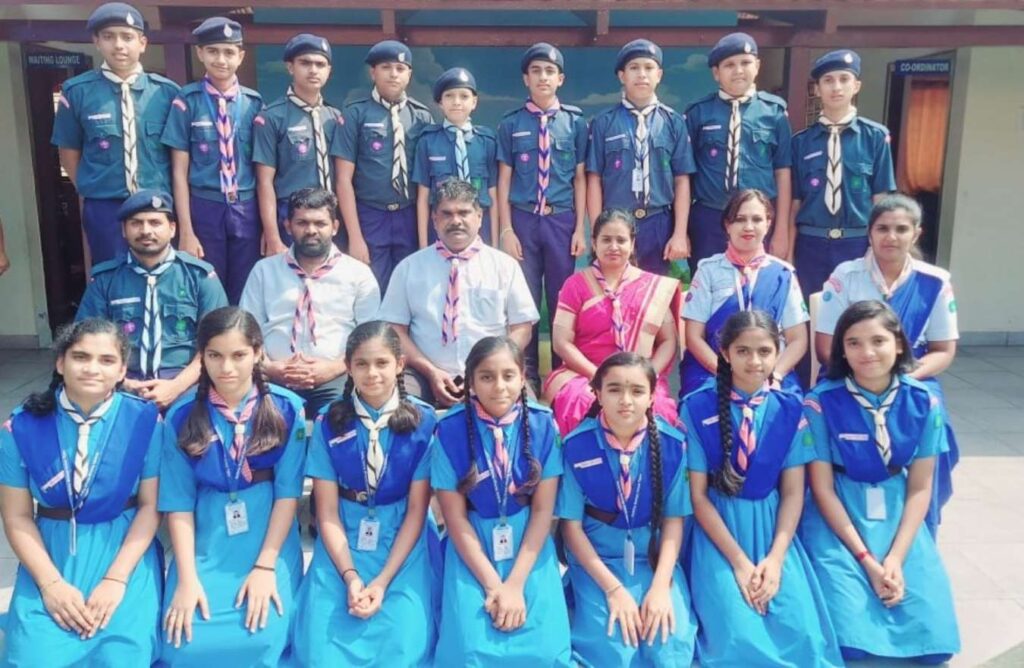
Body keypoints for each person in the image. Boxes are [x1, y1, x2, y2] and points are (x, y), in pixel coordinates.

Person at [800, 300, 960, 664]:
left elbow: (920, 487)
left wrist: (895, 558)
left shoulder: (924, 402)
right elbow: (821, 488)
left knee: (934, 646)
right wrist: (868, 561)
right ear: (841, 350)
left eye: (878, 341)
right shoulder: (820, 402)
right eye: (853, 343)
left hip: (897, 509)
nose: (867, 352)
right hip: (839, 513)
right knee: (850, 643)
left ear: (899, 344)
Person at [679, 310, 841, 667]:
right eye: (743, 351)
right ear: (725, 353)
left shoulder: (791, 409)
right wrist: (739, 563)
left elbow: (794, 492)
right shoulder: (696, 406)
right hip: (718, 530)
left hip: (772, 530)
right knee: (737, 637)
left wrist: (776, 558)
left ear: (778, 352)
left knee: (803, 635)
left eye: (765, 351)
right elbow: (698, 497)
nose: (755, 361)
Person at [0, 318, 163, 665]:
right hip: (52, 557)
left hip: (124, 554)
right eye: (81, 357)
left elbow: (150, 507)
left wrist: (116, 579)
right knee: (32, 659)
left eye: (106, 360)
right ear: (61, 363)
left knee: (122, 658)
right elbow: (16, 516)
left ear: (122, 371)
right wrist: (50, 585)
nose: (92, 368)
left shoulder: (145, 421)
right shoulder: (21, 427)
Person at [159, 307, 307, 666]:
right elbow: (178, 503)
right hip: (208, 537)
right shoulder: (181, 415)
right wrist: (187, 578)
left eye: (238, 355)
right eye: (215, 356)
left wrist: (265, 568)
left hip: (267, 535)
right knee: (183, 643)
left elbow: (288, 495)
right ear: (202, 357)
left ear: (258, 353)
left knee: (263, 637)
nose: (226, 368)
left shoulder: (287, 409)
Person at [292, 321, 437, 666]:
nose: (372, 373)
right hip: (344, 534)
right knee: (320, 650)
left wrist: (382, 581)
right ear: (348, 367)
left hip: (403, 536)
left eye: (381, 363)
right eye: (361, 364)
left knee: (404, 646)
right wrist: (351, 576)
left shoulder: (424, 420)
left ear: (400, 365)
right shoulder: (329, 421)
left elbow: (417, 510)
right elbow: (326, 512)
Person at [815, 194, 958, 534]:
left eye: (901, 229)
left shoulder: (934, 282)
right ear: (869, 232)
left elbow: (943, 350)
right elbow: (825, 348)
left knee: (935, 420)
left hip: (912, 373)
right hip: (848, 372)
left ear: (916, 233)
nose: (891, 237)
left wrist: (899, 378)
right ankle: (837, 521)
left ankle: (918, 526)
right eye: (882, 228)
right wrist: (865, 374)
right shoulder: (846, 276)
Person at [431, 336, 571, 665]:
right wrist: (495, 587)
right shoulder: (449, 430)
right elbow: (455, 518)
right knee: (468, 650)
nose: (499, 387)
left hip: (529, 542)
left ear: (522, 377)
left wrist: (516, 584)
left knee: (545, 652)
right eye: (486, 377)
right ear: (471, 382)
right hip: (472, 543)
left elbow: (543, 510)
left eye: (508, 375)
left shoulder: (543, 424)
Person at [558, 352, 698, 666]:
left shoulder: (673, 445)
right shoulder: (575, 446)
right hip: (598, 561)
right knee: (614, 645)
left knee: (667, 642)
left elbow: (674, 521)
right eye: (614, 389)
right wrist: (613, 590)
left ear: (652, 397)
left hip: (653, 559)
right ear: (597, 394)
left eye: (637, 391)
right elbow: (571, 528)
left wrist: (661, 587)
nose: (626, 400)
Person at [379, 179, 539, 407]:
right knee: (399, 409)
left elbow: (522, 328)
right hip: (423, 373)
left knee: (530, 414)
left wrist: (489, 368)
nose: (456, 221)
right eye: (447, 214)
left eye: (464, 213)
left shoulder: (504, 266)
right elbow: (395, 330)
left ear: (479, 217)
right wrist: (430, 371)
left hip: (492, 373)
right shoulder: (409, 268)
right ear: (434, 220)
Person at [51, 2, 180, 266]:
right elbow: (68, 153)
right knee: (111, 274)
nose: (119, 45)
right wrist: (92, 189)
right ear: (97, 42)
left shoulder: (166, 93)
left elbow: (178, 155)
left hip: (158, 205)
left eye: (127, 37)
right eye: (109, 37)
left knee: (163, 273)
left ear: (142, 43)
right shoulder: (77, 92)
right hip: (106, 206)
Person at [76, 189, 228, 409]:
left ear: (172, 228)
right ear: (124, 230)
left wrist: (175, 387)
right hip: (120, 387)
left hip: (187, 388)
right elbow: (85, 342)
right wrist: (123, 383)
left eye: (155, 222)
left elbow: (218, 344)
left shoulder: (200, 277)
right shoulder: (104, 280)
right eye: (136, 223)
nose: (146, 230)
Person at [240, 188, 380, 417]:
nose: (311, 230)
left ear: (335, 227)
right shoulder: (264, 271)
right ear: (288, 226)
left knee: (339, 422)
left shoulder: (358, 274)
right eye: (302, 223)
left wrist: (334, 368)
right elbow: (245, 331)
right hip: (273, 376)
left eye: (320, 223)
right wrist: (269, 367)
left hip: (336, 377)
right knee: (266, 426)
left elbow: (371, 336)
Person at [544, 209, 681, 435]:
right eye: (606, 240)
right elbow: (561, 342)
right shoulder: (575, 285)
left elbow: (668, 341)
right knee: (580, 401)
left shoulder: (652, 286)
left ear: (632, 244)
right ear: (594, 243)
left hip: (640, 371)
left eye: (621, 240)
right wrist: (597, 375)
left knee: (659, 409)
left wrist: (648, 374)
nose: (613, 246)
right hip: (586, 373)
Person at [498, 43, 588, 380]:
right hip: (524, 219)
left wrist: (580, 229)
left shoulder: (575, 124)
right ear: (526, 79)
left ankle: (563, 373)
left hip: (561, 219)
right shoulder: (511, 124)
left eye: (550, 71)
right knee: (525, 299)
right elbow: (503, 181)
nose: (543, 77)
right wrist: (506, 230)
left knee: (562, 297)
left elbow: (580, 179)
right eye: (536, 71)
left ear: (560, 79)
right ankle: (528, 374)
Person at [161, 17, 263, 304]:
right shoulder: (187, 101)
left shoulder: (254, 103)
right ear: (200, 53)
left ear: (241, 56)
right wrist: (186, 229)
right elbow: (178, 172)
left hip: (246, 207)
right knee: (207, 284)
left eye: (229, 52)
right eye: (213, 51)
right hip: (205, 206)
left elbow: (262, 169)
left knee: (246, 286)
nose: (221, 59)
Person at [678, 189, 807, 399]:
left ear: (768, 224)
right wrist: (724, 374)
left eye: (757, 219)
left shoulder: (783, 274)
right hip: (712, 371)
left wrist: (775, 374)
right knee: (702, 405)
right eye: (739, 219)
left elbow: (798, 339)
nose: (748, 227)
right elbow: (693, 336)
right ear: (727, 225)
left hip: (770, 372)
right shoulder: (708, 271)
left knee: (786, 407)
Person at [790, 50, 896, 298]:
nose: (836, 87)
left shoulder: (875, 137)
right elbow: (795, 203)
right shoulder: (801, 142)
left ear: (856, 86)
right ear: (817, 89)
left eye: (844, 79)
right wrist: (789, 250)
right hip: (811, 244)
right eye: (828, 80)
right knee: (811, 311)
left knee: (857, 311)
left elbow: (881, 200)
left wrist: (877, 247)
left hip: (857, 244)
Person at [331, 40, 434, 292]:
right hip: (370, 214)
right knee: (371, 288)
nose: (393, 74)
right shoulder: (355, 114)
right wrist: (355, 236)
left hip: (410, 215)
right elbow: (343, 179)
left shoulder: (422, 116)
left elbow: (427, 180)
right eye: (386, 67)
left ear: (409, 74)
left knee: (411, 287)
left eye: (400, 68)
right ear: (372, 73)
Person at [586, 39, 695, 276]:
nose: (642, 74)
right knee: (612, 288)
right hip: (615, 222)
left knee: (654, 291)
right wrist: (597, 232)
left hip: (658, 223)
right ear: (622, 76)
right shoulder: (604, 122)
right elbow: (594, 179)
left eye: (648, 67)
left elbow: (682, 180)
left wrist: (679, 232)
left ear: (659, 75)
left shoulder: (673, 122)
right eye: (634, 68)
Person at [685, 32, 792, 272]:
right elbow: (685, 176)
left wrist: (781, 230)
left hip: (758, 219)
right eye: (729, 65)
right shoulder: (698, 113)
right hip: (709, 217)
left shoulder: (774, 113)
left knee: (756, 283)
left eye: (745, 62)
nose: (738, 70)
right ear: (716, 73)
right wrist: (682, 230)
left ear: (757, 66)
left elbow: (783, 173)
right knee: (709, 282)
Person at [253, 33, 342, 251]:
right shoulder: (272, 117)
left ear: (329, 71)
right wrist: (272, 236)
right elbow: (264, 182)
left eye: (320, 64)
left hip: (330, 215)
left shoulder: (335, 117)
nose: (313, 70)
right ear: (290, 67)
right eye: (305, 63)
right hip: (292, 216)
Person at [413, 67, 499, 247]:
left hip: (480, 226)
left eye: (464, 96)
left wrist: (495, 243)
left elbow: (493, 195)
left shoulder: (486, 141)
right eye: (449, 96)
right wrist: (423, 245)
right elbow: (423, 198)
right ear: (440, 102)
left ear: (474, 102)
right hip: (441, 227)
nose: (457, 102)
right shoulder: (428, 141)